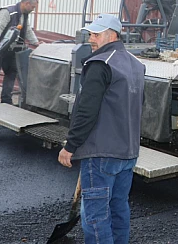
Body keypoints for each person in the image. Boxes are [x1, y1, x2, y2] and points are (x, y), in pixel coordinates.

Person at [57, 14, 145, 244]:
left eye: (96, 34)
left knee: (95, 217)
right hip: (128, 153)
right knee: (118, 210)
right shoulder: (136, 65)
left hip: (101, 154)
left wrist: (70, 146)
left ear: (113, 35)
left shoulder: (100, 64)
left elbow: (86, 110)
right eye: (90, 34)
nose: (91, 39)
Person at [0, 0, 40, 105]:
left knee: (11, 72)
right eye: (33, 7)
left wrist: (36, 42)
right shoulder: (8, 12)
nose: (33, 10)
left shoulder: (24, 15)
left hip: (8, 48)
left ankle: (6, 101)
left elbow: (27, 30)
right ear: (26, 3)